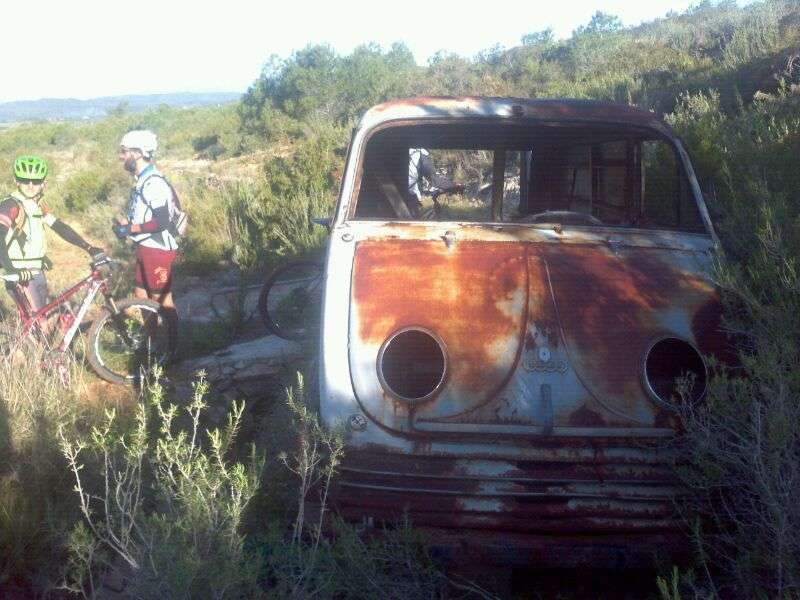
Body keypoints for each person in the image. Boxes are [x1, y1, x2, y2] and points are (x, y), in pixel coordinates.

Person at [0, 155, 104, 315]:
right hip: (21, 274)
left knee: (41, 319)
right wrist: (11, 269)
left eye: (35, 181)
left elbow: (60, 227)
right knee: (41, 325)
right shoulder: (11, 204)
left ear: (43, 183)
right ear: (16, 181)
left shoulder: (37, 204)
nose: (30, 185)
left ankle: (24, 338)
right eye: (24, 179)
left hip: (37, 271)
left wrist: (88, 247)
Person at [112, 130, 178, 325]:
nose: (121, 156)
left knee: (163, 302)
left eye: (124, 151)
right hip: (145, 248)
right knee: (142, 297)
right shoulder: (142, 179)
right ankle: (152, 345)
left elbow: (162, 221)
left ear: (138, 153)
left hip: (156, 250)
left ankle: (173, 349)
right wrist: (127, 225)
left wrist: (130, 229)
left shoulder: (153, 182)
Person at [407, 148, 458, 217]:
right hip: (411, 197)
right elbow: (434, 180)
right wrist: (454, 185)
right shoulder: (419, 154)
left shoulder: (413, 154)